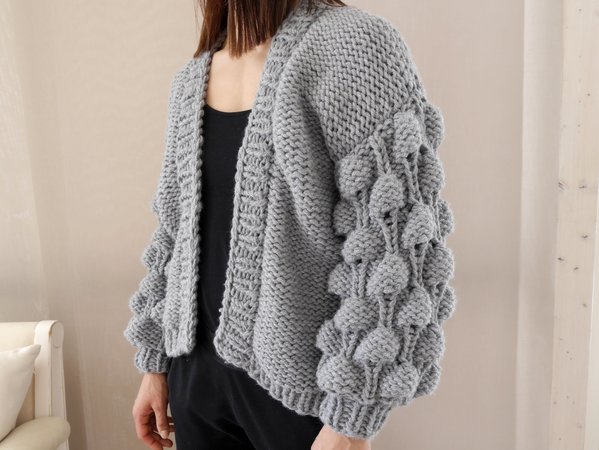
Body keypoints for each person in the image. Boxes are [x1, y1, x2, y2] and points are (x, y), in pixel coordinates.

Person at [123, 0, 457, 449]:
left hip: (301, 396)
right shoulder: (192, 78)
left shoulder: (353, 46)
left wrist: (351, 421)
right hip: (194, 380)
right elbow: (173, 235)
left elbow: (399, 246)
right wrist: (156, 364)